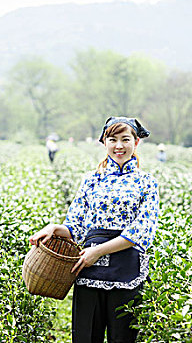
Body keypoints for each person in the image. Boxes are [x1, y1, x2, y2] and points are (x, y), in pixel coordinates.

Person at [29, 116, 159, 343]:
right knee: (85, 336)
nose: (119, 146)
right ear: (104, 142)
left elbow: (142, 230)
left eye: (125, 139)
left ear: (136, 142)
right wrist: (54, 229)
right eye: (113, 139)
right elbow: (76, 225)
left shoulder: (146, 182)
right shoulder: (91, 180)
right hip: (88, 269)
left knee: (123, 337)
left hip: (125, 268)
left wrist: (99, 251)